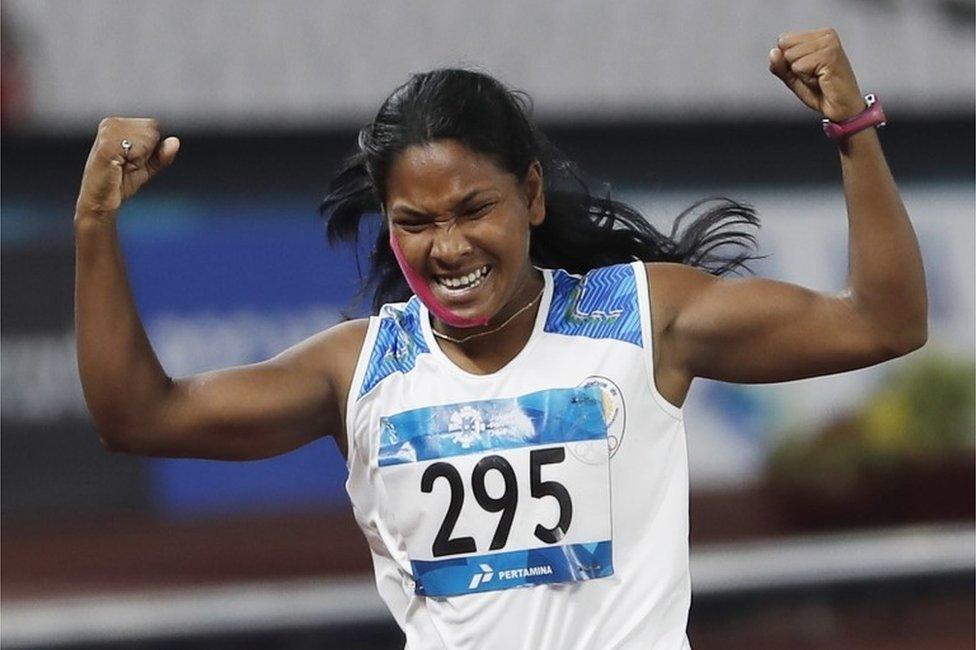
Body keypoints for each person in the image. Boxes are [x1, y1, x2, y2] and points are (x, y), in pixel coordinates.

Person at [75, 28, 926, 650]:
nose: (448, 247)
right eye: (416, 223)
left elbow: (883, 323)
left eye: (474, 209)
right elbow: (139, 418)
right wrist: (94, 224)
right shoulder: (363, 369)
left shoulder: (642, 318)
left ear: (531, 196)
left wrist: (852, 130)